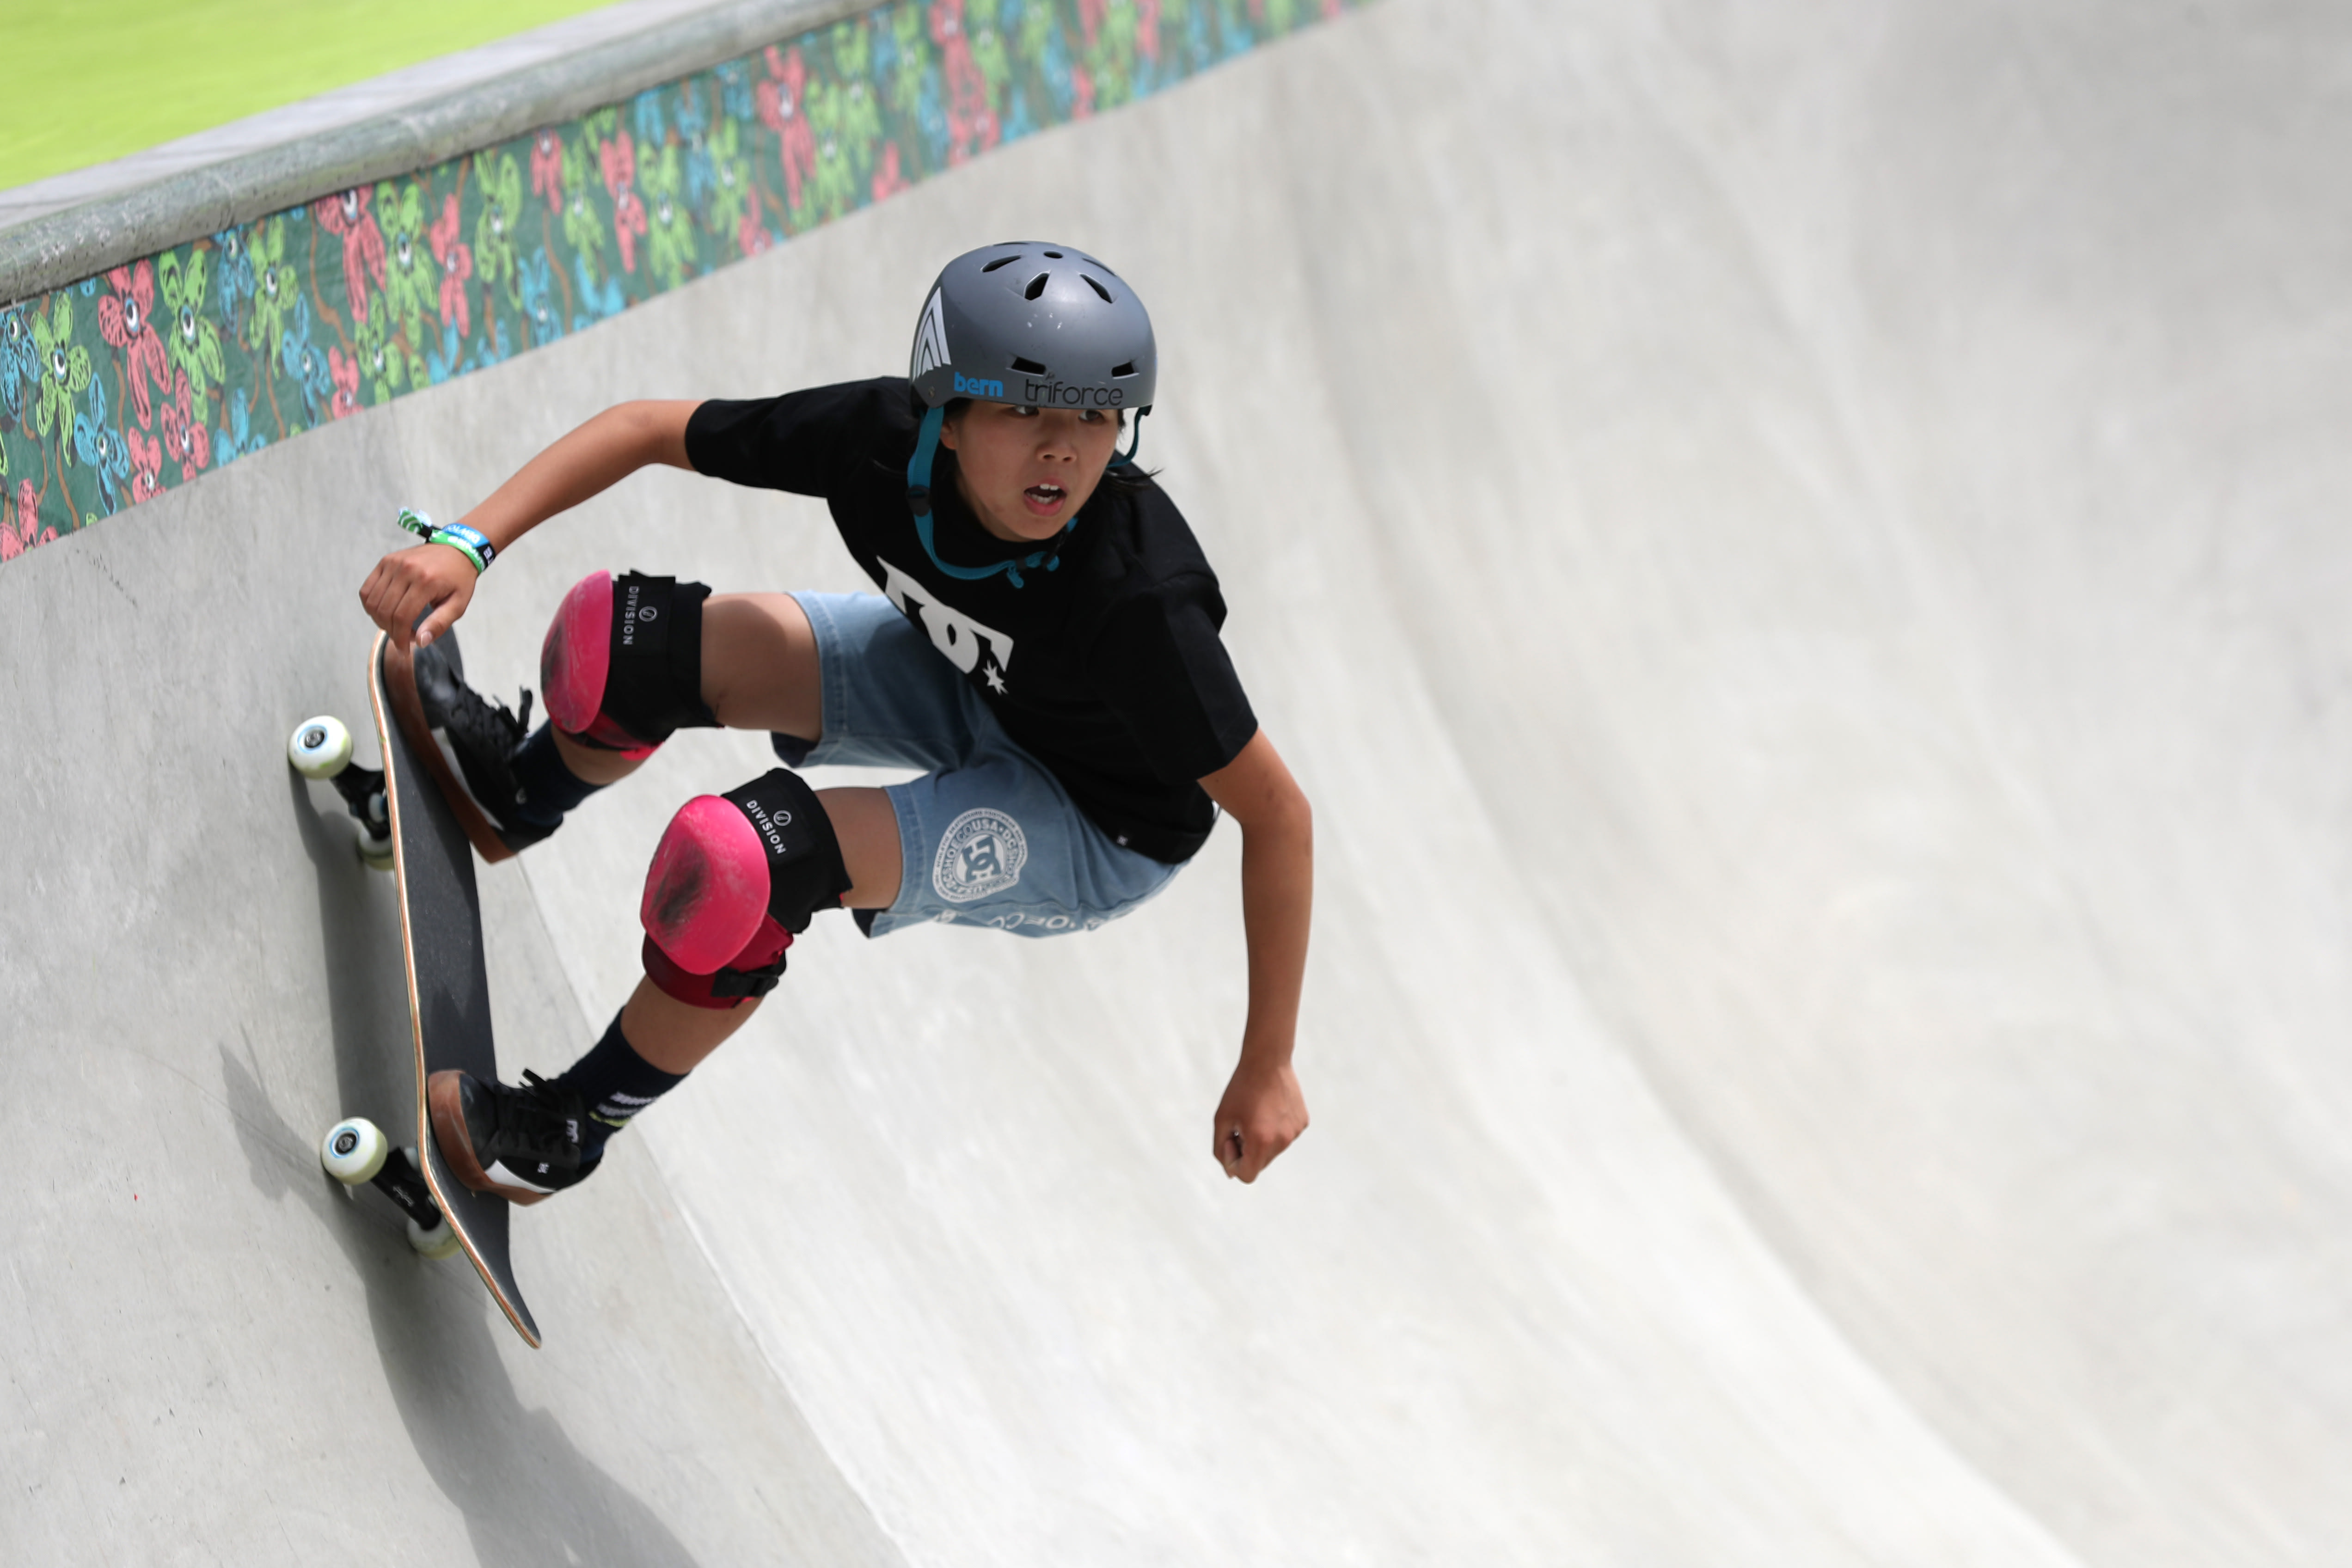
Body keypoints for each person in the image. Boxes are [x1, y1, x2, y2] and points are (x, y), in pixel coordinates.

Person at [357, 241, 1312, 1201]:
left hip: (1096, 823)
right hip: (972, 679)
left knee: (750, 861)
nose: (1063, 447)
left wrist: (1267, 1061)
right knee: (623, 643)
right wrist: (467, 545)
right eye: (1026, 408)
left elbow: (1278, 817)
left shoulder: (1143, 603)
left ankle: (573, 1121)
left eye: (1097, 416)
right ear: (945, 407)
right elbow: (648, 427)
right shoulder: (873, 441)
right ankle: (521, 791)